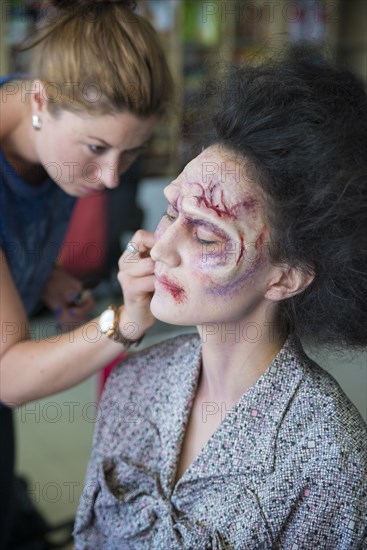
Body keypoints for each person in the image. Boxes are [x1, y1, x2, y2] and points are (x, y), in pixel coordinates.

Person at [74, 48, 367, 549]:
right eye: (171, 213)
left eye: (206, 236)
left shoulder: (330, 456)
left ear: (287, 277)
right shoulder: (132, 383)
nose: (161, 249)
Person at [0, 0, 173, 545]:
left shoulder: (50, 136)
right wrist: (125, 319)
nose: (109, 176)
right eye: (96, 148)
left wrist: (43, 276)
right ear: (41, 101)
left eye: (130, 152)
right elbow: (9, 375)